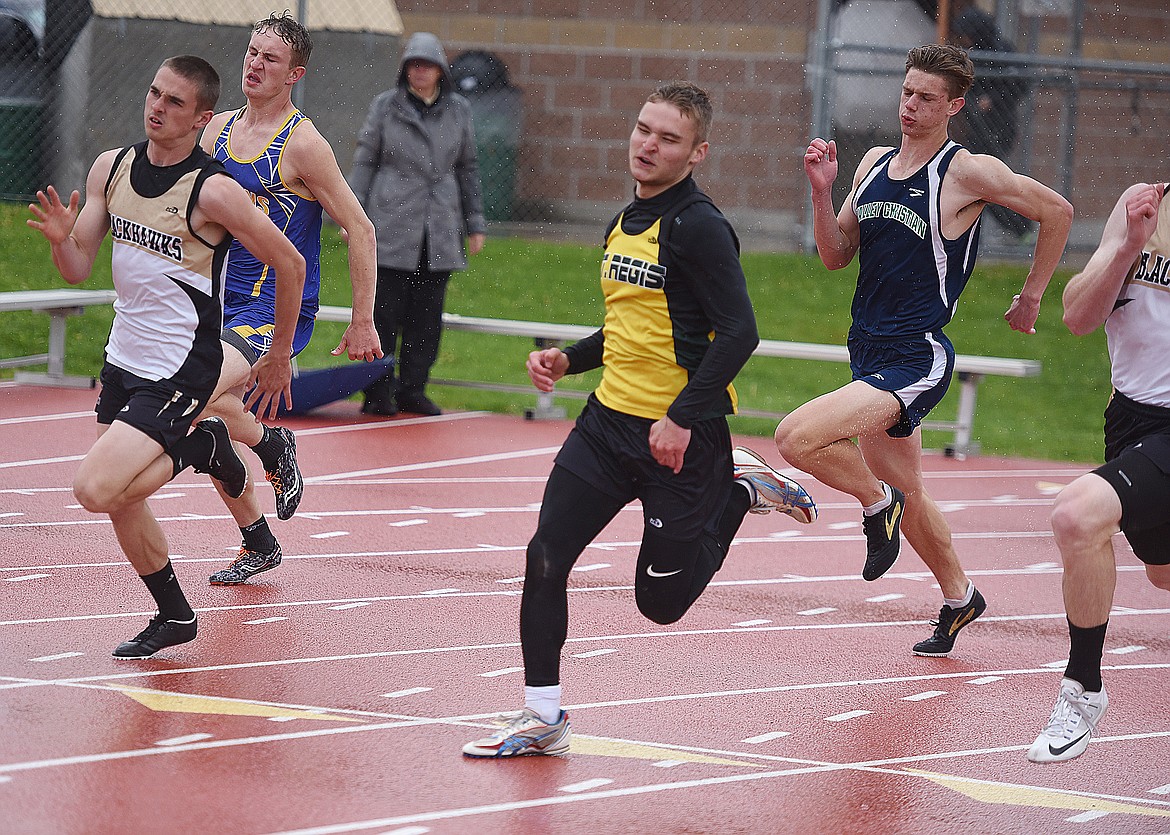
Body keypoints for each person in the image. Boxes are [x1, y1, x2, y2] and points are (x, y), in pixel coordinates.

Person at [462, 82, 818, 759]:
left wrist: (683, 417)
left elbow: (739, 333)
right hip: (605, 428)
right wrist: (568, 359)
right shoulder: (625, 219)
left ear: (697, 153)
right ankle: (542, 715)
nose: (648, 144)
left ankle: (737, 489)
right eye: (643, 129)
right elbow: (629, 326)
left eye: (668, 138)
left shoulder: (699, 226)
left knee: (659, 605)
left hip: (680, 440)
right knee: (544, 556)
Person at [776, 44, 1072, 657]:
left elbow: (1057, 212)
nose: (911, 106)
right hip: (868, 350)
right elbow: (835, 254)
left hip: (916, 355)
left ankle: (874, 505)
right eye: (907, 92)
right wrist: (821, 191)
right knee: (909, 496)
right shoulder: (875, 163)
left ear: (954, 106)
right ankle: (960, 596)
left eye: (926, 98)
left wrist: (1032, 295)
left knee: (795, 439)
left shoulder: (967, 172)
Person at [26, 56, 307, 657]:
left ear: (202, 118)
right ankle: (175, 615)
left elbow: (292, 263)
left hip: (183, 366)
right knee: (125, 497)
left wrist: (279, 352)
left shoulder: (215, 190)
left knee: (97, 488)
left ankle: (201, 445)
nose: (157, 107)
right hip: (124, 358)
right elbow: (78, 270)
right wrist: (61, 242)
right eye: (154, 92)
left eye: (175, 102)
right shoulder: (113, 168)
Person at [197, 11, 382, 586]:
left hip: (273, 305)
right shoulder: (217, 131)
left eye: (269, 58)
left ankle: (270, 454)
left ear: (293, 74)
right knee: (199, 413)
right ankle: (263, 502)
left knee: (192, 393)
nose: (254, 64)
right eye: (252, 53)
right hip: (213, 298)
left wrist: (362, 320)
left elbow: (362, 229)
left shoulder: (303, 145)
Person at [1026, 181, 1170, 763]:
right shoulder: (1141, 202)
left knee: (1077, 515)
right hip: (1132, 420)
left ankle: (1082, 688)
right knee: (1163, 574)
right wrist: (1127, 248)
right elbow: (1079, 317)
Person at [348, 32, 486, 418]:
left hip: (439, 225)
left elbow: (468, 168)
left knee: (427, 316)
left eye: (426, 65)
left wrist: (475, 223)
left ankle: (413, 389)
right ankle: (376, 392)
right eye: (412, 64)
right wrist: (351, 216)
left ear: (441, 70)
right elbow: (365, 161)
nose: (419, 72)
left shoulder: (459, 110)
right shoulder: (385, 107)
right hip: (390, 219)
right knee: (384, 313)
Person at [951, 7, 1032, 239]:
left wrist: (993, 99)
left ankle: (1021, 228)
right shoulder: (972, 53)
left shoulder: (1002, 50)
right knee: (977, 183)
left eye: (966, 34)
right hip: (977, 130)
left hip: (999, 129)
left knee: (987, 186)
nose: (963, 40)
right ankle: (967, 233)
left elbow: (1020, 85)